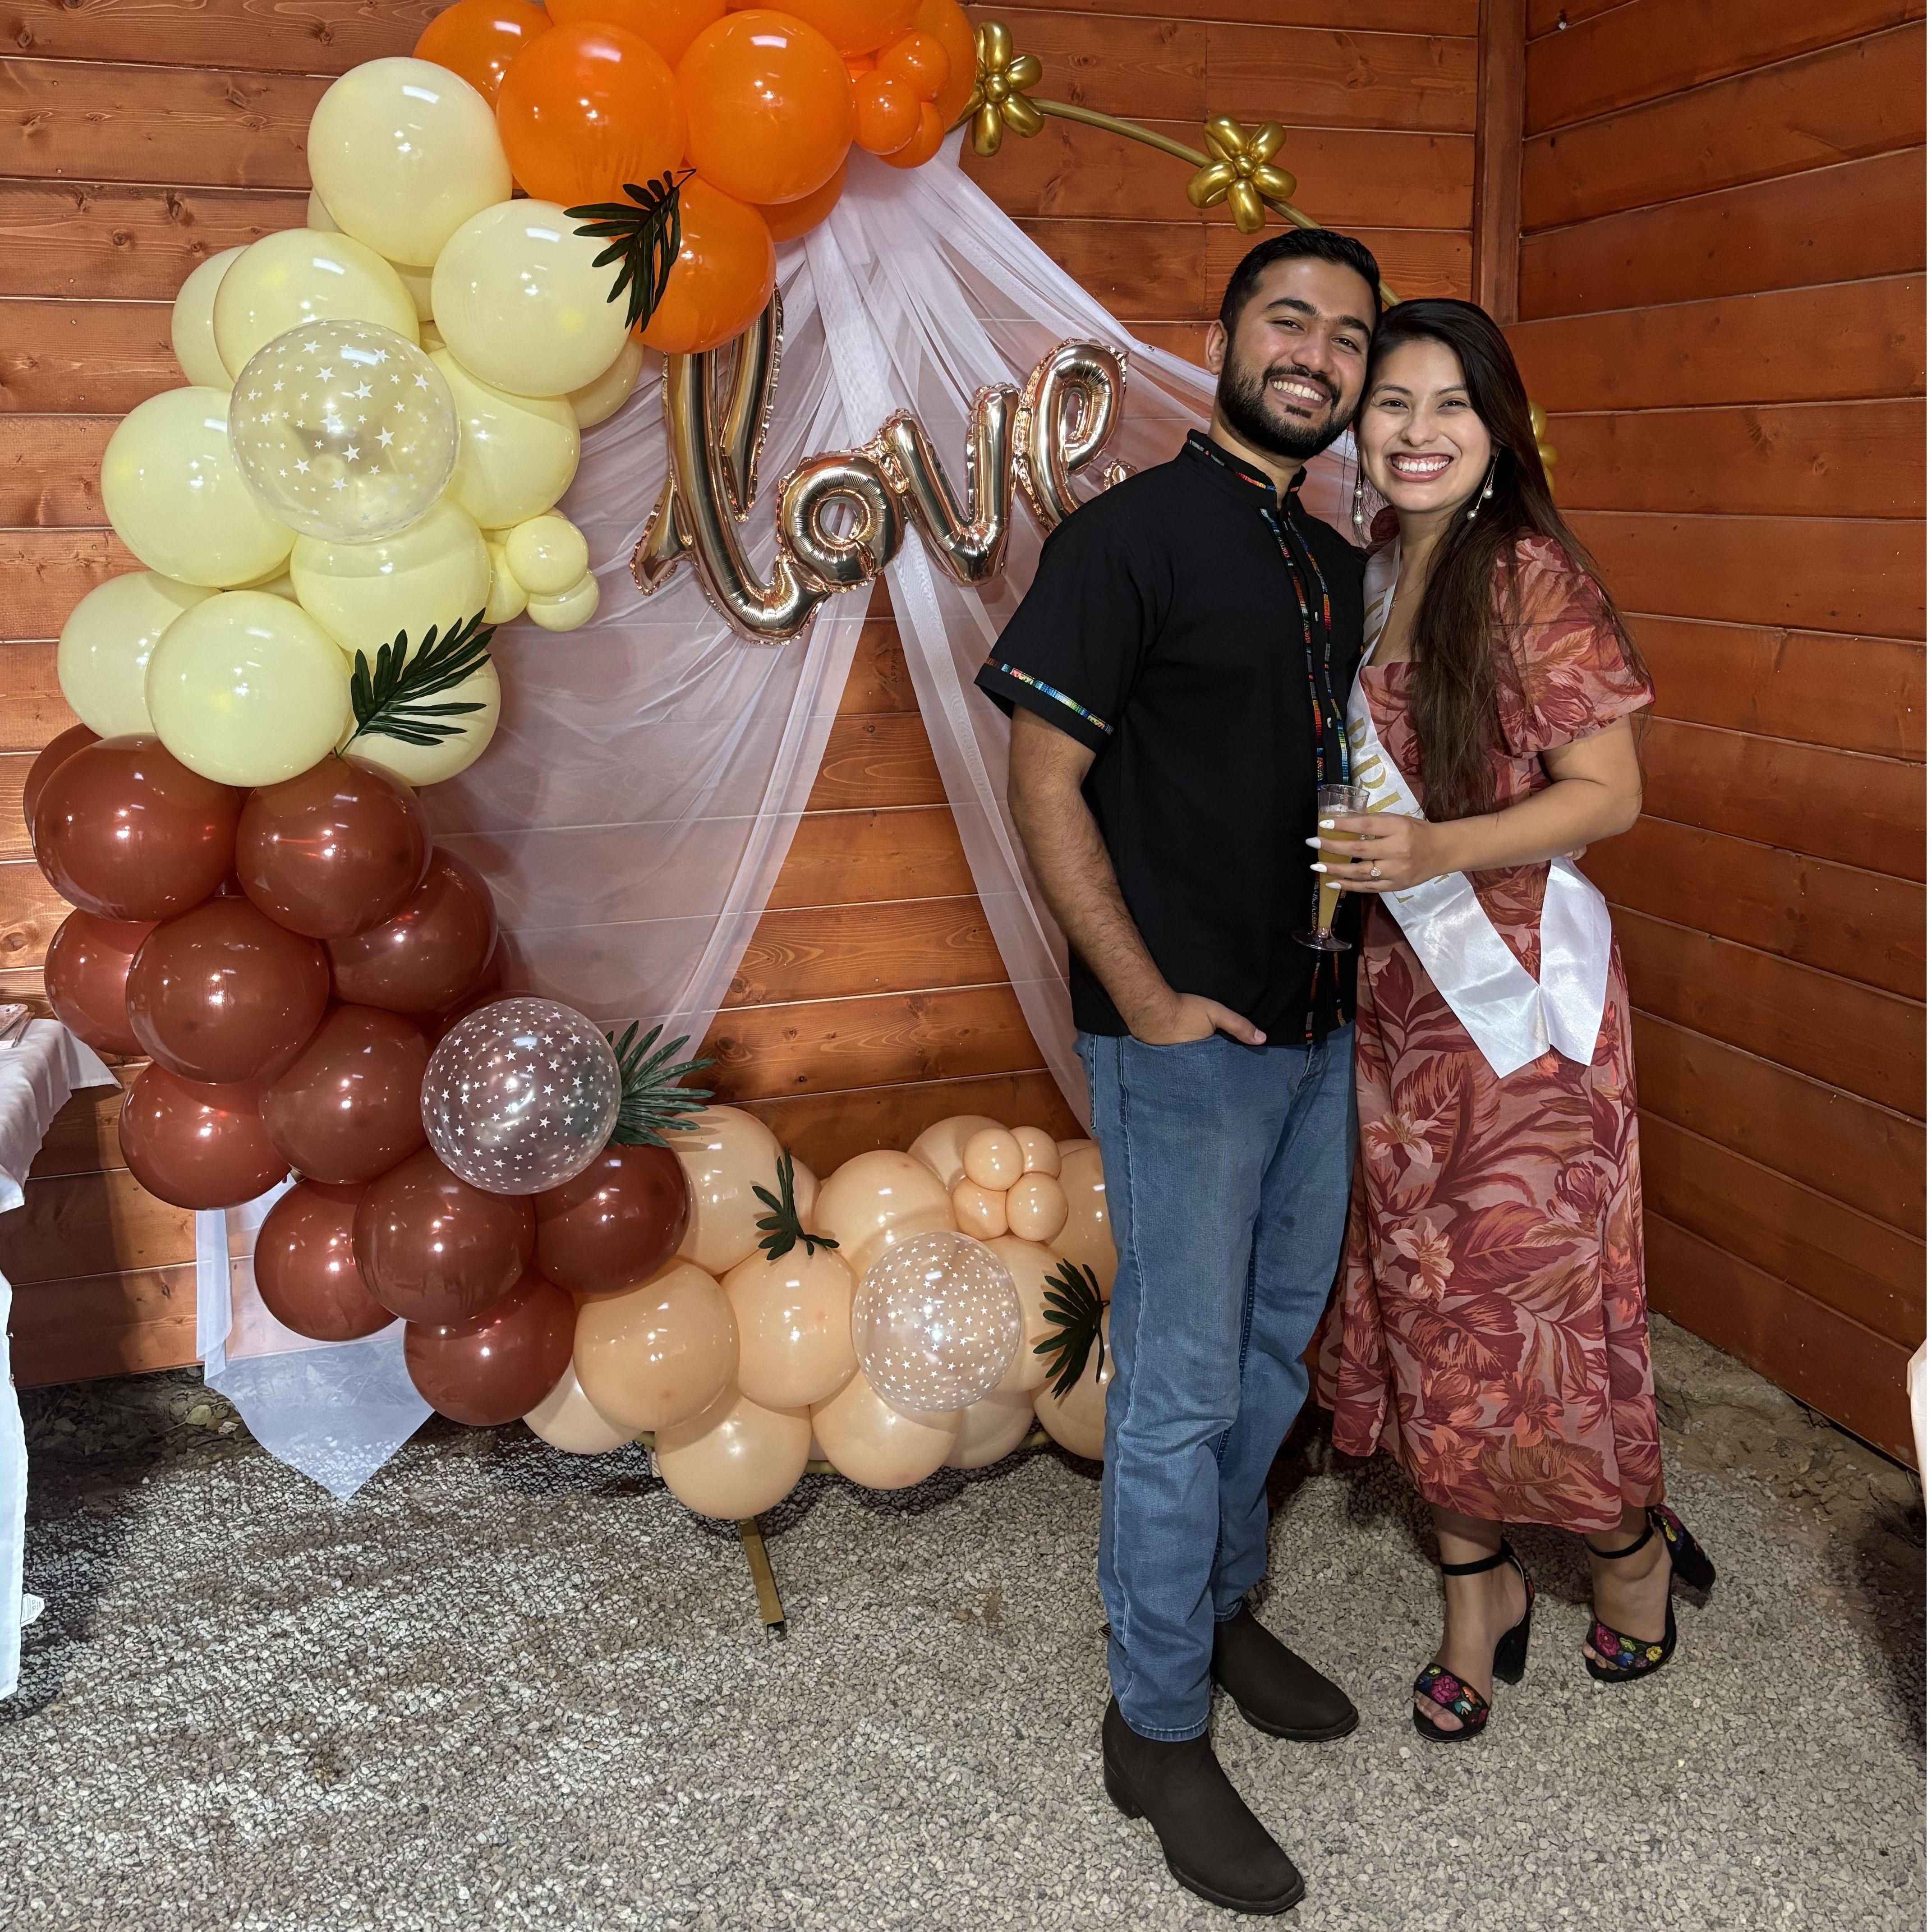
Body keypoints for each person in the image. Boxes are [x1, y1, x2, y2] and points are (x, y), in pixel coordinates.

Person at [975, 229, 1381, 1917]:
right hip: (1183, 1047)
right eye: (1288, 319)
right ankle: (1152, 1725)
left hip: (1320, 1031)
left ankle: (1217, 1614)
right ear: (1220, 336)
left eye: (1346, 337)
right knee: (1181, 1390)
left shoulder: (1340, 561)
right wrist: (1142, 999)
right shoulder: (1123, 536)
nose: (1316, 353)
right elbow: (1042, 781)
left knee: (1273, 1356)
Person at [1312, 298, 1716, 1744]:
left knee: (1532, 1302)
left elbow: (1609, 795)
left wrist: (1434, 848)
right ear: (1358, 426)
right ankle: (1472, 1582)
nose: (1416, 432)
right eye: (1392, 403)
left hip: (1520, 1003)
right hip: (1399, 1000)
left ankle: (1625, 1547)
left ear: (1496, 434)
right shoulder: (1365, 568)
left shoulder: (1528, 575)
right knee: (1426, 1293)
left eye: (1450, 406)